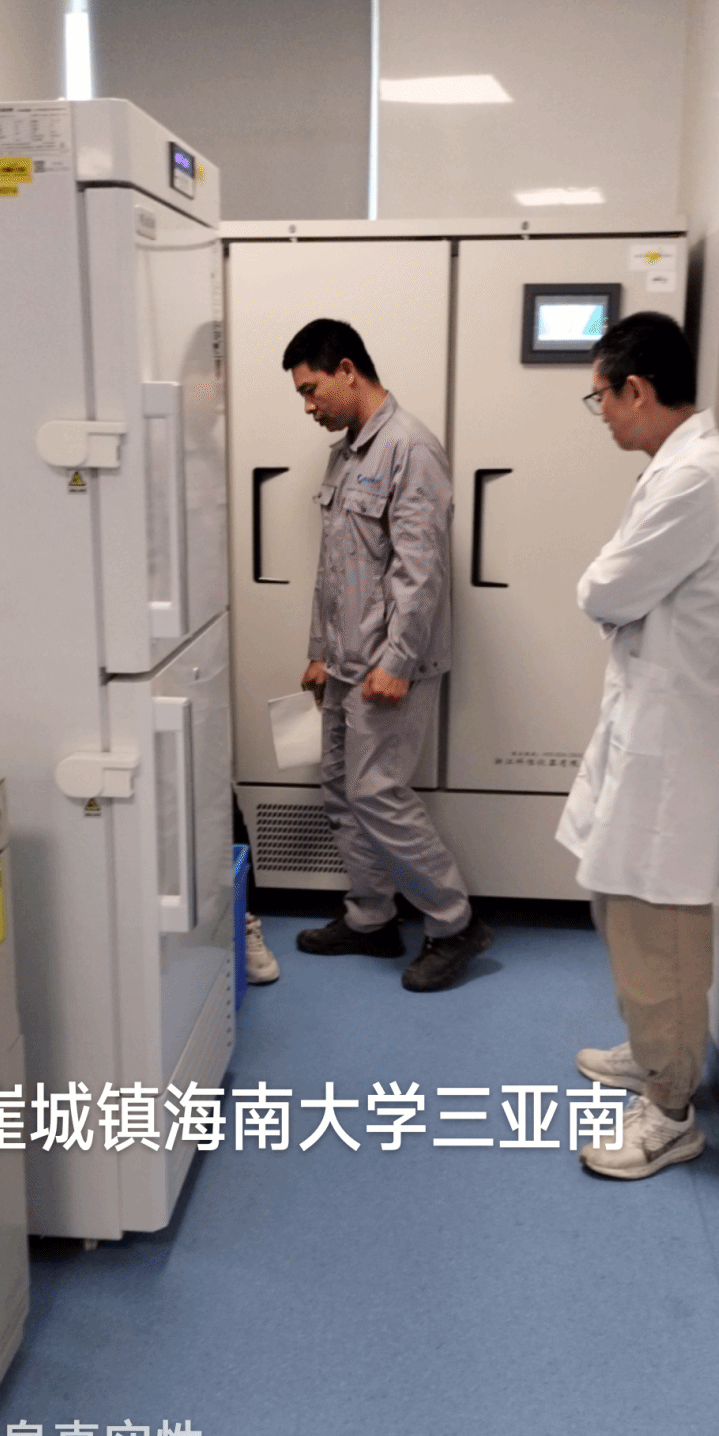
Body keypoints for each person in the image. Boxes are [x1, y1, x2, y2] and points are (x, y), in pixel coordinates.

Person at [561, 312, 719, 1179]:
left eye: (600, 397)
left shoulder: (695, 479)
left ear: (635, 390)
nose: (600, 413)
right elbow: (615, 584)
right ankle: (651, 1053)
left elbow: (606, 589)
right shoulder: (677, 469)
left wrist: (606, 588)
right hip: (652, 725)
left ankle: (671, 1110)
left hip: (675, 746)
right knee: (623, 906)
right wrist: (610, 587)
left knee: (660, 928)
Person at [281, 318, 492, 992]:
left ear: (347, 370)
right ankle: (371, 918)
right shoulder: (345, 455)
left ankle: (454, 923)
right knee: (341, 791)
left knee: (376, 792)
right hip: (345, 661)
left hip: (387, 666)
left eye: (311, 389)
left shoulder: (410, 448)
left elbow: (420, 571)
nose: (308, 406)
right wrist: (320, 651)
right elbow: (334, 569)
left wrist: (397, 662)